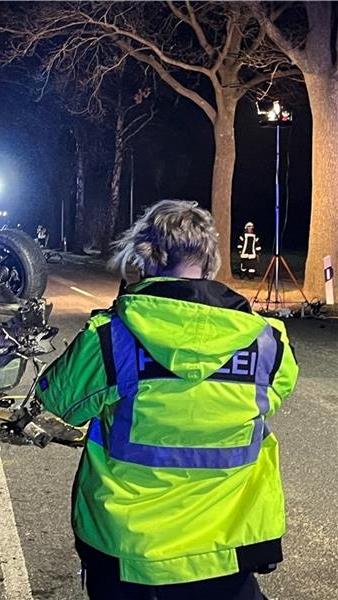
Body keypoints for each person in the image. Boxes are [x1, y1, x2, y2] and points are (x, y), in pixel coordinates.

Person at [36, 200, 298, 600]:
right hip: (227, 547)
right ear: (210, 262)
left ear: (144, 256)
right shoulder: (267, 340)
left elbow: (58, 399)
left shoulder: (112, 336)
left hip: (129, 550)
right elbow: (274, 396)